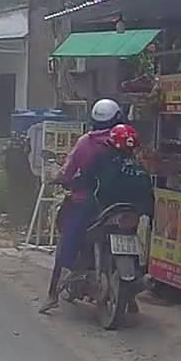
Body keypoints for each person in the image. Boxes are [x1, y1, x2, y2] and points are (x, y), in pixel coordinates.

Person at [39, 99, 126, 313]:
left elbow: (67, 172)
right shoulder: (125, 139)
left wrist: (57, 177)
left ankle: (53, 295)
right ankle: (130, 300)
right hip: (122, 202)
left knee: (67, 239)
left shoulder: (86, 143)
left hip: (88, 202)